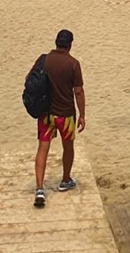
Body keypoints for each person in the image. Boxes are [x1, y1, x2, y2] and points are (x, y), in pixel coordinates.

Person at [33, 29, 85, 207]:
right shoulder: (73, 64)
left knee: (43, 148)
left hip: (46, 114)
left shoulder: (44, 60)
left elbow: (29, 79)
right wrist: (82, 115)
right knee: (68, 146)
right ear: (70, 44)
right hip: (66, 115)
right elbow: (78, 91)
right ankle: (65, 179)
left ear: (56, 42)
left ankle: (39, 189)